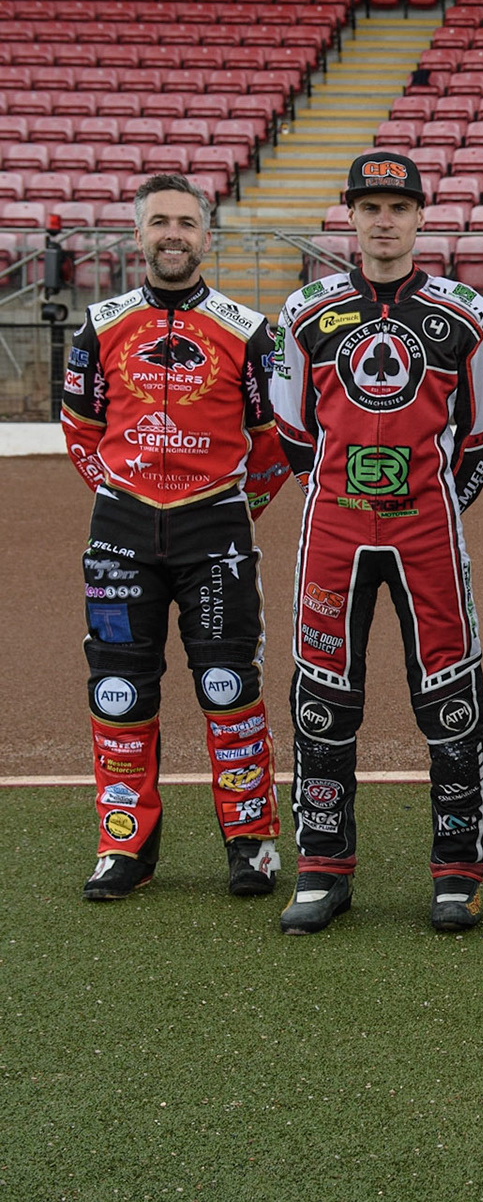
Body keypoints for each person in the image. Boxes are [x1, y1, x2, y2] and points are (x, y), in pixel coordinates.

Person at [269, 152, 483, 935]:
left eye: (397, 207)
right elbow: (292, 430)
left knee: (449, 698)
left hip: (428, 535)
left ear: (418, 217)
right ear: (350, 216)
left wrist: (434, 500)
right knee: (323, 697)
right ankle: (321, 867)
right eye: (369, 206)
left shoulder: (465, 313)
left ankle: (456, 872)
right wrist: (342, 495)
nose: (383, 220)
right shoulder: (304, 312)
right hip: (333, 534)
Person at [61, 172, 291, 901]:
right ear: (137, 234)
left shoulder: (248, 330)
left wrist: (229, 511)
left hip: (217, 529)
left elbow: (272, 445)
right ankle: (123, 847)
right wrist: (124, 501)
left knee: (229, 690)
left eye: (186, 224)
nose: (172, 235)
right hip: (121, 530)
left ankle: (249, 843)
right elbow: (81, 431)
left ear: (206, 238)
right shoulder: (98, 326)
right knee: (121, 693)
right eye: (159, 222)